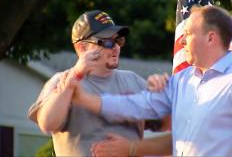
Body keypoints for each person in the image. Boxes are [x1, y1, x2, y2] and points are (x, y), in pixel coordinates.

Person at [66, 5, 232, 156]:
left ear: (210, 38)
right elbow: (140, 105)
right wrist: (86, 100)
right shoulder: (182, 80)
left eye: (188, 33)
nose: (181, 40)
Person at [27, 10, 167, 156]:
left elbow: (172, 123)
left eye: (118, 40)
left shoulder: (134, 81)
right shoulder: (60, 80)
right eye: (107, 41)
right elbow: (48, 124)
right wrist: (71, 82)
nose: (116, 47)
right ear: (82, 48)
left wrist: (161, 89)